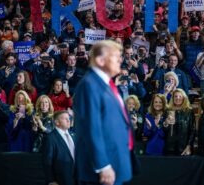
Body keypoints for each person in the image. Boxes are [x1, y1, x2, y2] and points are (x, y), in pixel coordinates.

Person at [73, 40, 135, 185]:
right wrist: (103, 165)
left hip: (116, 161)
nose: (121, 59)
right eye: (116, 56)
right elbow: (90, 128)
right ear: (100, 60)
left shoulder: (108, 84)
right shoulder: (89, 85)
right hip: (102, 170)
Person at [42, 110, 75, 185]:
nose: (68, 120)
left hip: (76, 177)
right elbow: (47, 161)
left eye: (69, 118)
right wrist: (51, 180)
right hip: (61, 179)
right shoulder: (50, 138)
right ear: (57, 122)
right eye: (65, 118)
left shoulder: (73, 135)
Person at [163, 89, 195, 156]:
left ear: (184, 98)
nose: (178, 98)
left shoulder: (189, 111)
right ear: (173, 98)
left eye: (180, 96)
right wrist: (166, 123)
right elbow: (164, 131)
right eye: (175, 96)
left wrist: (189, 145)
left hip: (183, 147)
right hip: (169, 147)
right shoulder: (168, 110)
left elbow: (192, 130)